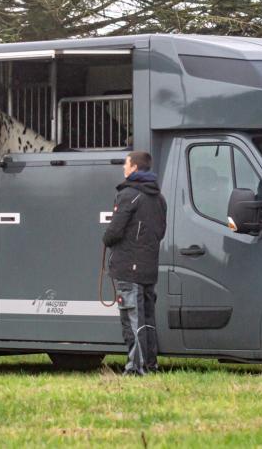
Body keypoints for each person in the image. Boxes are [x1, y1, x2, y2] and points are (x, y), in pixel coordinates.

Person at [102, 150, 167, 375]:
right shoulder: (159, 198)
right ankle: (150, 364)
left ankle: (136, 369)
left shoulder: (129, 195)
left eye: (126, 165)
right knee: (147, 319)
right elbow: (161, 231)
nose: (124, 168)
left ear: (135, 168)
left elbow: (114, 231)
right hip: (149, 268)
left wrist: (106, 238)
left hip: (129, 268)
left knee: (132, 319)